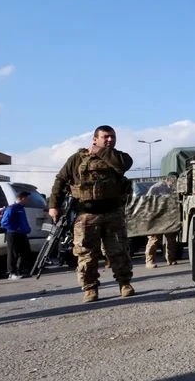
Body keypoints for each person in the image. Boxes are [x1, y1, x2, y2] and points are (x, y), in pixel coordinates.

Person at [49, 125, 136, 303]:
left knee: (119, 251)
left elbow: (123, 165)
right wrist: (53, 205)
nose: (110, 140)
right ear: (95, 139)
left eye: (112, 137)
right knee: (86, 254)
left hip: (113, 213)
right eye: (105, 137)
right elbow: (61, 180)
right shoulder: (77, 159)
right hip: (86, 215)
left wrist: (100, 151)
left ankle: (124, 283)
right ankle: (90, 288)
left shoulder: (119, 157)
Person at [144, 172, 179, 269]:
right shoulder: (156, 187)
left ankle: (170, 259)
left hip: (169, 217)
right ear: (169, 179)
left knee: (171, 239)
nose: (174, 183)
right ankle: (149, 261)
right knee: (154, 239)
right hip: (156, 217)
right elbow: (147, 201)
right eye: (173, 181)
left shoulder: (174, 188)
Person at [1, 191, 33, 279]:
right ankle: (11, 273)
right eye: (26, 198)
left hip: (22, 234)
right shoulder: (12, 208)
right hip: (13, 234)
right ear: (21, 198)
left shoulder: (21, 208)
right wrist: (16, 228)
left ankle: (20, 271)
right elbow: (4, 222)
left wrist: (27, 229)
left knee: (24, 252)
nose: (28, 200)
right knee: (13, 253)